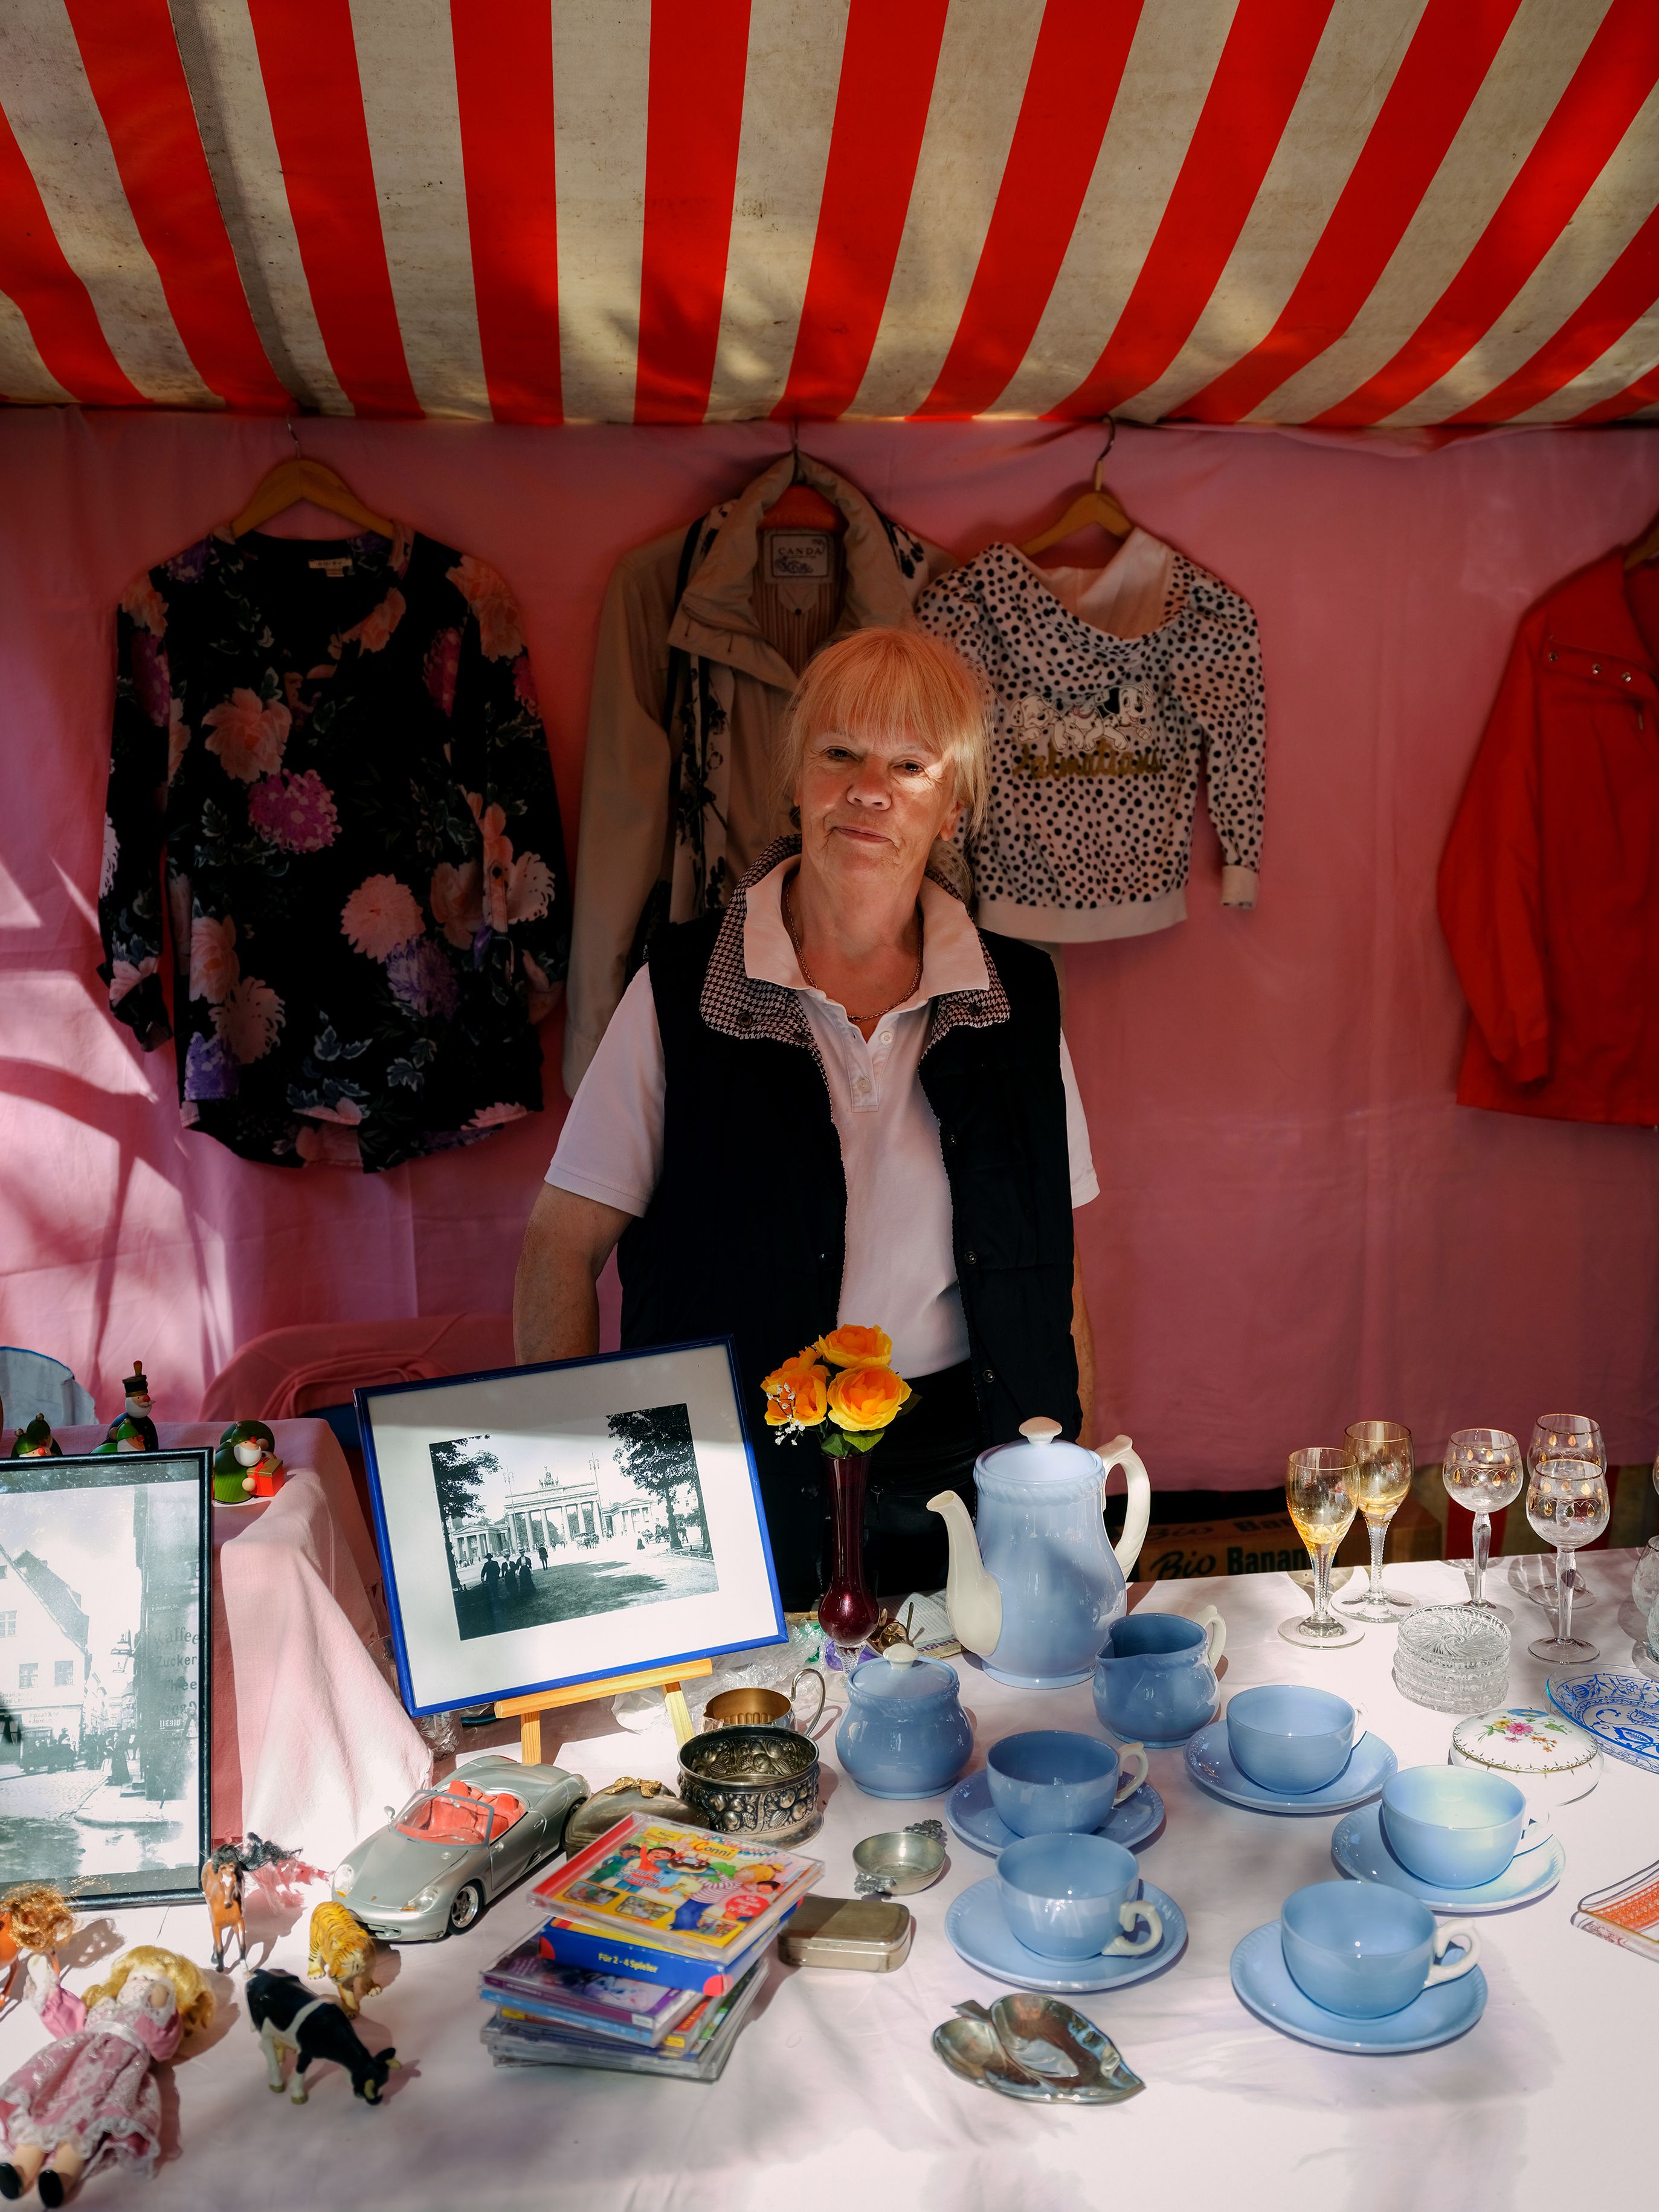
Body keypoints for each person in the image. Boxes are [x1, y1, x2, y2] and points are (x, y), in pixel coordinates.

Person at [515, 627, 1098, 1607]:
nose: (869, 789)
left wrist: (1061, 1499)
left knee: (955, 1732)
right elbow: (558, 1250)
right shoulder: (684, 987)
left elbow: (1057, 1276)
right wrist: (583, 1487)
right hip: (723, 1469)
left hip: (960, 1473)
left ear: (952, 807)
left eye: (909, 765)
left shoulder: (1014, 1000)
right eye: (839, 754)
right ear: (795, 779)